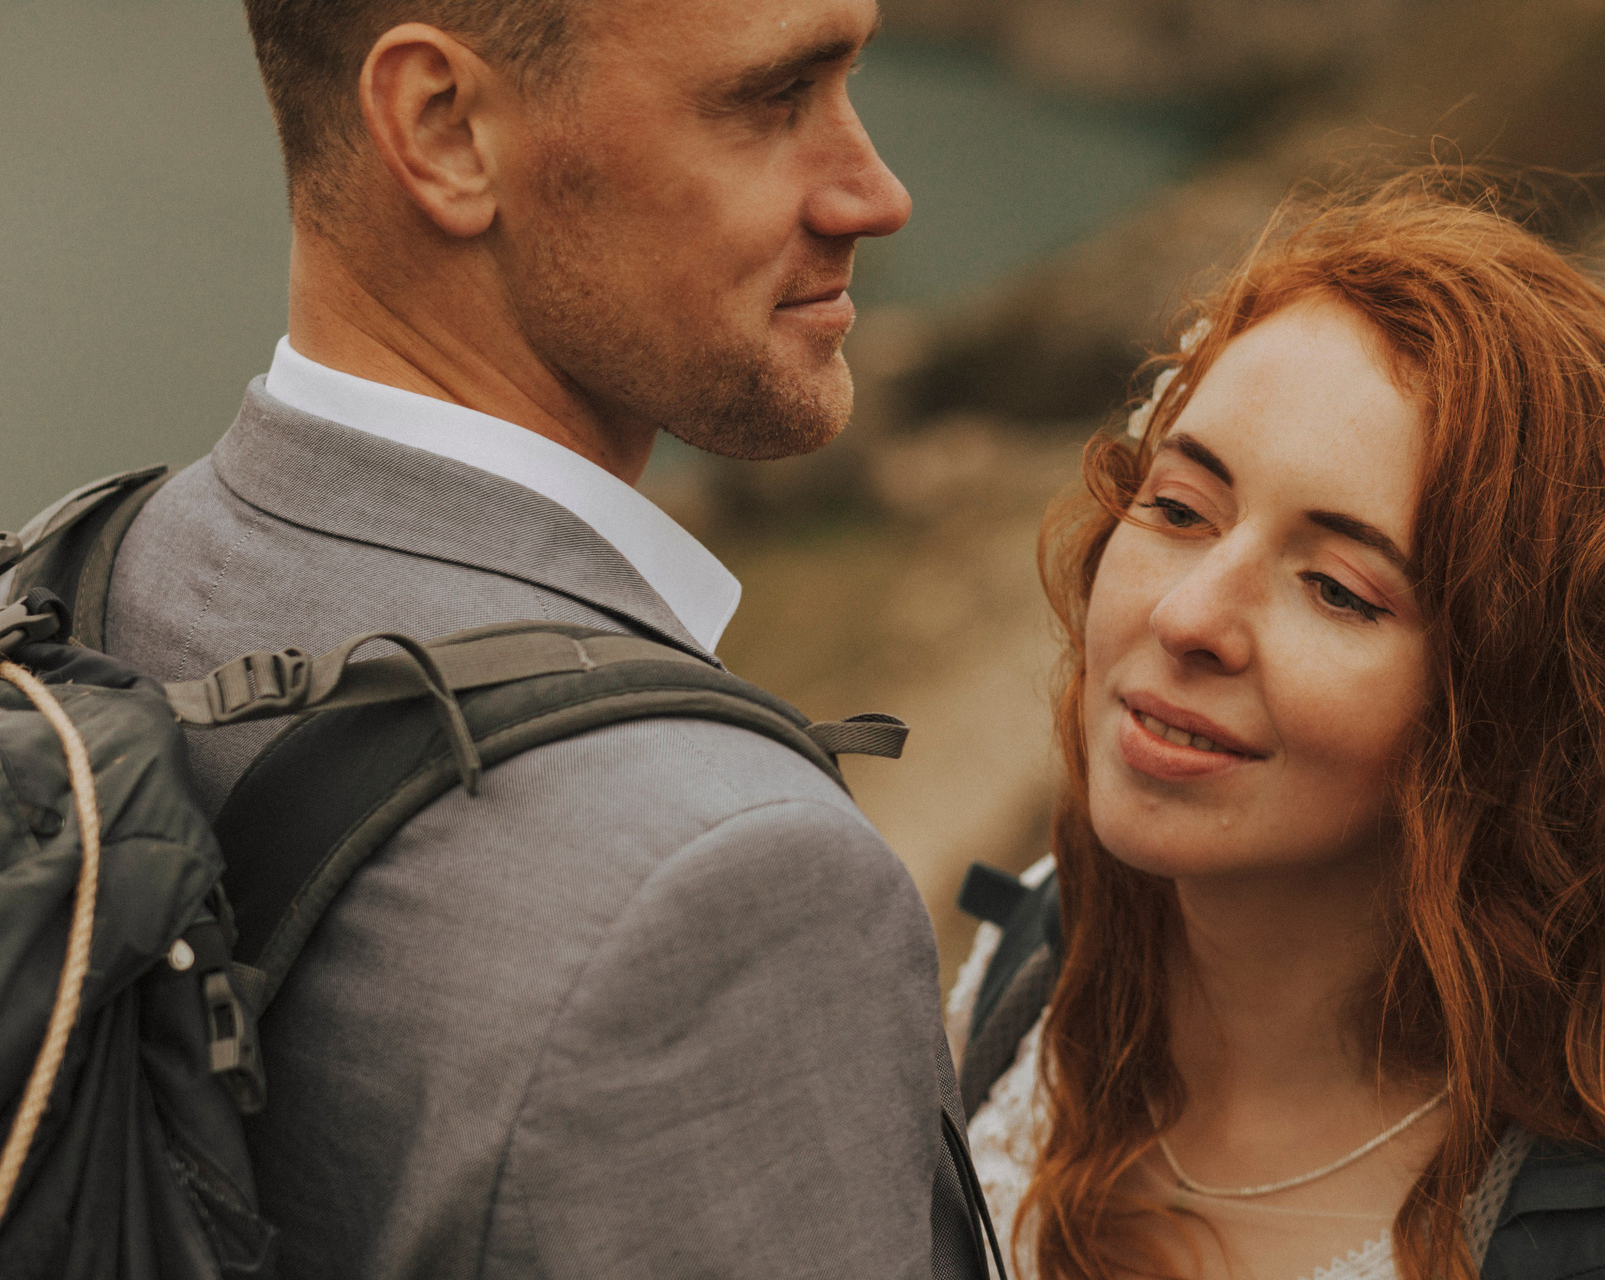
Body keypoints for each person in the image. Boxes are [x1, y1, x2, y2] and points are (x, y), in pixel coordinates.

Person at [101, 2, 988, 1277]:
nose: (876, 193)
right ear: (444, 130)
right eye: (774, 99)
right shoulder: (726, 883)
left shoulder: (76, 586)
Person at [951, 174, 1605, 1280]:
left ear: (1514, 713)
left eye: (1339, 589)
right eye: (1179, 507)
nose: (1188, 616)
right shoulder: (1032, 972)